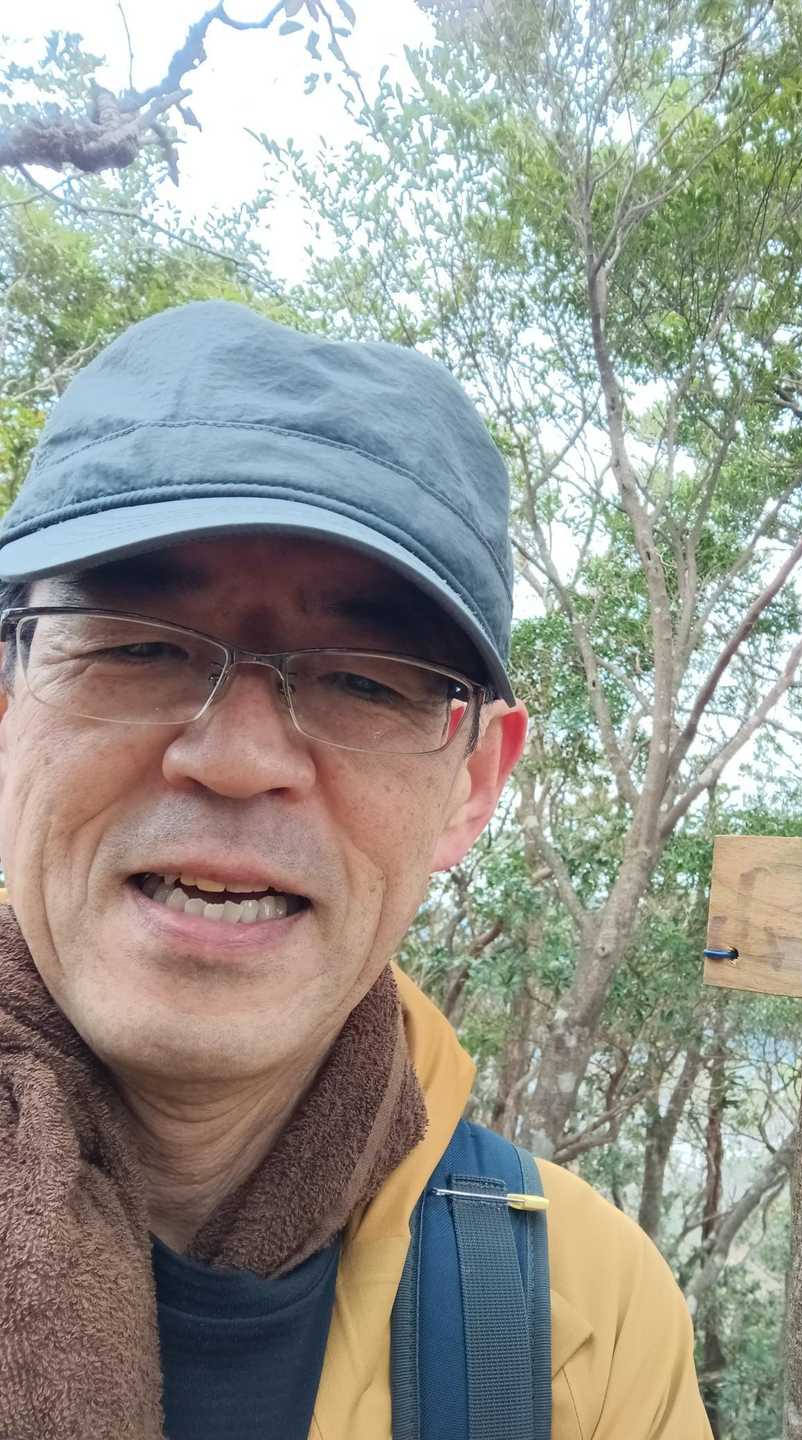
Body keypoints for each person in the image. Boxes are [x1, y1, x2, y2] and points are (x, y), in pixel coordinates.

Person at [0, 301, 710, 1439]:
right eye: (137, 646)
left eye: (365, 683)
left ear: (472, 786)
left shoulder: (586, 1327)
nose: (238, 760)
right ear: (8, 708)